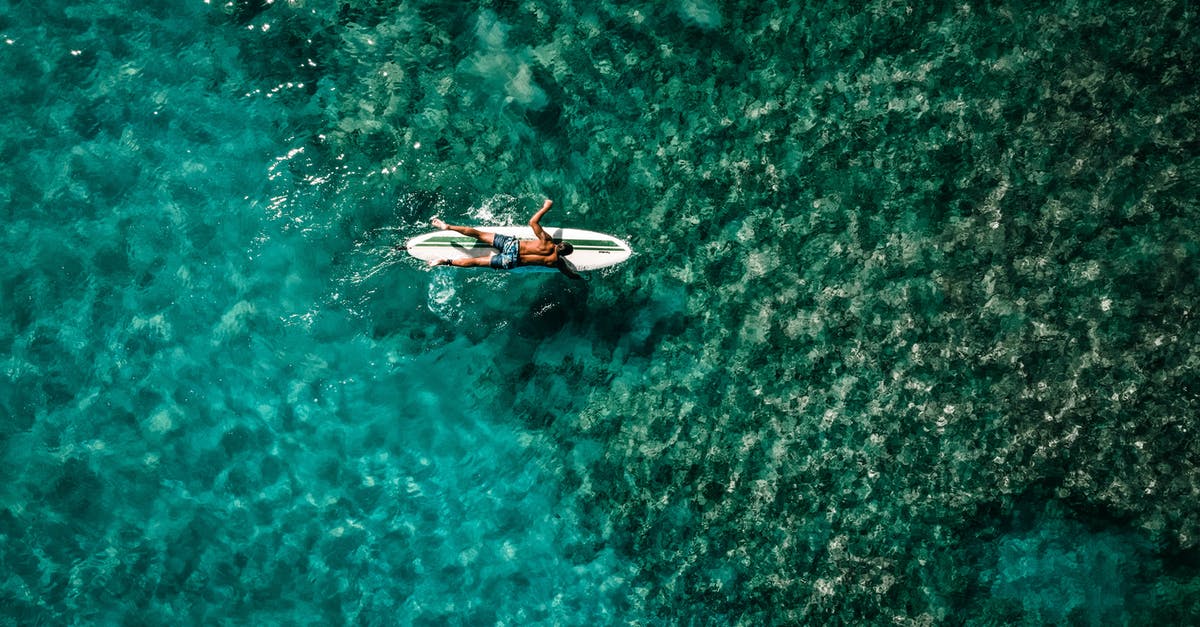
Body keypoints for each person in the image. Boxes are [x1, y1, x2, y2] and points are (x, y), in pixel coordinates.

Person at [428, 199, 582, 279]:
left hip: (512, 245)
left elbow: (532, 222)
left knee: (478, 234)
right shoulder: (557, 263)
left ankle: (447, 227)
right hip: (511, 261)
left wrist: (546, 207)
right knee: (476, 262)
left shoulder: (546, 241)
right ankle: (445, 261)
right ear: (563, 255)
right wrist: (581, 277)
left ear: (559, 244)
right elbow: (570, 275)